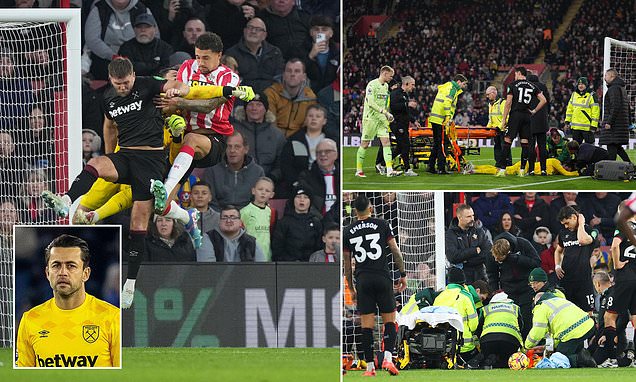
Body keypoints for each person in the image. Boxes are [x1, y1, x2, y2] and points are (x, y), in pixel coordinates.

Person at [41, 57, 238, 309]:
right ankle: (66, 199)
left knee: (139, 222)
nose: (122, 88)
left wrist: (217, 91)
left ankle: (130, 283)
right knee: (97, 165)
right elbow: (110, 126)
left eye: (125, 83)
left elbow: (186, 89)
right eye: (117, 84)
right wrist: (111, 153)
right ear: (111, 80)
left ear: (133, 75)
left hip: (152, 161)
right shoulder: (108, 98)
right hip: (125, 155)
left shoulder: (150, 86)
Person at [150, 32, 255, 223]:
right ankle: (187, 217)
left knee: (191, 140)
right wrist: (173, 99)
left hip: (212, 139)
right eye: (197, 56)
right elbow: (178, 94)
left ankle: (165, 190)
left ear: (219, 55)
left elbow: (209, 105)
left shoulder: (229, 78)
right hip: (181, 142)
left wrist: (179, 102)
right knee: (157, 208)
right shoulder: (187, 67)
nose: (200, 62)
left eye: (206, 57)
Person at [16, 234, 120, 367]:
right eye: (56, 265)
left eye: (71, 266)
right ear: (48, 273)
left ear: (86, 274)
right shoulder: (30, 319)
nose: (63, 272)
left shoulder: (112, 317)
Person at [343, 194, 406, 376]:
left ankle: (370, 368)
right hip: (382, 277)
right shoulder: (382, 224)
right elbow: (394, 250)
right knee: (389, 321)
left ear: (355, 210)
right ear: (370, 208)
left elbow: (347, 265)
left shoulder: (348, 230)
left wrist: (352, 288)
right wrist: (402, 274)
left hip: (363, 280)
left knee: (366, 326)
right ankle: (387, 358)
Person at [486, 232, 541, 339]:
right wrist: (495, 291)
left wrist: (518, 259)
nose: (496, 260)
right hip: (507, 292)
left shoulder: (523, 244)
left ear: (508, 253)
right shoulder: (491, 252)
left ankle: (527, 345)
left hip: (526, 288)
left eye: (499, 259)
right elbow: (491, 273)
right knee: (510, 321)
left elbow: (537, 263)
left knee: (527, 320)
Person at [84, 0, 153, 80]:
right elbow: (92, 40)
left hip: (136, 61)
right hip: (105, 62)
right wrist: (113, 56)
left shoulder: (142, 9)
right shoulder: (99, 9)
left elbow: (154, 35)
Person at [524, 292, 596, 368]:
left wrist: (527, 346)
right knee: (572, 348)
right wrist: (547, 347)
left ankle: (583, 359)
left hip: (573, 333)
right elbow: (560, 330)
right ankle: (582, 355)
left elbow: (537, 332)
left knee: (559, 357)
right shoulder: (559, 300)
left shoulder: (541, 307)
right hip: (589, 325)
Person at [498, 66, 547, 177]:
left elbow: (508, 103)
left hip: (516, 115)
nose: (515, 76)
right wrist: (534, 111)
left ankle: (502, 169)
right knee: (525, 142)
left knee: (507, 141)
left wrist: (504, 119)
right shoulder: (533, 86)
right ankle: (522, 170)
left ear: (519, 73)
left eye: (515, 74)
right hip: (527, 116)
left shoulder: (512, 85)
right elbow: (543, 100)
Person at [604, 200, 636, 366]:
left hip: (625, 277)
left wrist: (617, 264)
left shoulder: (625, 227)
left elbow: (615, 245)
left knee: (609, 316)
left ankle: (611, 358)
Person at [355, 66, 402, 178]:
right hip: (370, 119)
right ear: (385, 73)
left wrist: (387, 114)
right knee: (365, 144)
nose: (391, 78)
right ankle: (359, 170)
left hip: (382, 119)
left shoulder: (386, 86)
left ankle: (389, 170)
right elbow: (370, 102)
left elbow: (385, 103)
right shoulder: (372, 85)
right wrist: (384, 112)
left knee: (386, 143)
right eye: (390, 76)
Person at [201, 131, 264, 210]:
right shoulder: (212, 170)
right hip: (219, 217)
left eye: (237, 147)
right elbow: (210, 201)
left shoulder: (257, 172)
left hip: (248, 217)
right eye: (229, 146)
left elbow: (259, 201)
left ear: (246, 149)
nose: (232, 150)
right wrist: (224, 217)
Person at [231, 92, 285, 183]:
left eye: (259, 105)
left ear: (265, 109)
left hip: (269, 183)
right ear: (245, 108)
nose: (254, 108)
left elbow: (282, 164)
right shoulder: (233, 131)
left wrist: (271, 178)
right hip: (237, 180)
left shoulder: (277, 134)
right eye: (250, 104)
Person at [554, 206, 598, 313]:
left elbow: (582, 240)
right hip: (567, 279)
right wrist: (557, 266)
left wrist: (581, 224)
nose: (566, 226)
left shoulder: (591, 231)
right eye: (563, 224)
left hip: (584, 280)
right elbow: (558, 251)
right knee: (567, 312)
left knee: (588, 313)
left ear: (574, 217)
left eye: (567, 223)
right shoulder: (563, 233)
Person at [224, 17, 284, 94]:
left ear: (264, 35)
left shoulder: (275, 52)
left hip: (270, 96)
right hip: (243, 97)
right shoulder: (232, 53)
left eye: (258, 29)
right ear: (244, 31)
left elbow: (279, 78)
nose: (253, 31)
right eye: (250, 28)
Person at [433, 267, 481, 363]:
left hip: (443, 347)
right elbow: (474, 324)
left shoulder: (439, 297)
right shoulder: (466, 296)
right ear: (463, 282)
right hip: (464, 347)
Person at [375, 75, 420, 176]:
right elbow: (393, 107)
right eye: (412, 85)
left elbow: (406, 112)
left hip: (403, 124)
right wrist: (407, 104)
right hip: (397, 124)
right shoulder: (395, 93)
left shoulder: (404, 94)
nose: (414, 87)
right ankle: (407, 170)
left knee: (400, 147)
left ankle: (382, 164)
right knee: (406, 145)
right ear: (406, 84)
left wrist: (413, 121)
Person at [264, 58, 317, 137]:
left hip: (298, 139)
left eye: (297, 71)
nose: (292, 74)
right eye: (289, 71)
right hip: (273, 137)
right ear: (284, 75)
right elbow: (270, 123)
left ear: (304, 77)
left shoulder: (310, 98)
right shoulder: (271, 93)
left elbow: (307, 127)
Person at [467, 292, 522, 369]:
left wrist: (478, 343)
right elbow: (521, 326)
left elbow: (478, 327)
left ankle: (486, 361)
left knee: (488, 353)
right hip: (510, 340)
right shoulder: (515, 307)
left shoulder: (486, 308)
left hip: (488, 340)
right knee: (505, 362)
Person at [427, 74, 468, 175]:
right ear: (458, 82)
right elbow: (447, 103)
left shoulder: (447, 86)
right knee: (442, 143)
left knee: (438, 143)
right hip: (441, 119)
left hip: (435, 118)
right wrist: (448, 118)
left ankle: (431, 166)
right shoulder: (452, 88)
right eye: (463, 84)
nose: (464, 86)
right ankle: (441, 168)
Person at [271, 185, 323, 261]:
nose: (302, 200)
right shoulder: (284, 222)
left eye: (305, 197)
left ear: (310, 201)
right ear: (293, 200)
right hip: (289, 266)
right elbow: (277, 248)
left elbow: (319, 247)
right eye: (298, 197)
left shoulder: (316, 222)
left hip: (311, 265)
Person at [200, 205, 266, 262]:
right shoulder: (208, 238)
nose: (228, 221)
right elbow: (208, 269)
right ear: (219, 222)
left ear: (240, 222)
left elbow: (261, 269)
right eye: (225, 217)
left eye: (233, 217)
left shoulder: (251, 242)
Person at [446, 203, 491, 283]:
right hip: (462, 279)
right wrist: (474, 251)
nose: (472, 219)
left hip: (480, 276)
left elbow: (488, 252)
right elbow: (453, 257)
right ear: (460, 218)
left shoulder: (479, 231)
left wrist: (466, 261)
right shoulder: (450, 234)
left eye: (472, 215)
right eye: (468, 217)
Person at [297, 138, 339, 221]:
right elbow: (307, 205)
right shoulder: (306, 177)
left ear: (336, 155)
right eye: (319, 152)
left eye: (327, 151)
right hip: (316, 222)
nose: (323, 154)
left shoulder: (342, 175)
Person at [240, 177, 276, 262]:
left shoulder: (271, 212)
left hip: (267, 255)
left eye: (267, 191)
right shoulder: (244, 211)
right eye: (260, 189)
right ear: (253, 191)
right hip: (250, 255)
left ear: (272, 195)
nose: (263, 193)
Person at [600, 68, 631, 162]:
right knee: (617, 147)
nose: (604, 78)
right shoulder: (621, 88)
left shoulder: (614, 88)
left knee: (611, 146)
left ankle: (611, 170)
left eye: (606, 75)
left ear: (612, 76)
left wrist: (609, 122)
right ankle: (631, 167)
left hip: (615, 126)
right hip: (620, 124)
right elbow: (627, 107)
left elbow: (615, 106)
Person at [305, 14, 338, 93]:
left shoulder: (337, 53)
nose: (320, 33)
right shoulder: (301, 50)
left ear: (331, 33)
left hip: (329, 95)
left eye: (324, 29)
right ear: (311, 32)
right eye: (316, 29)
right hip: (308, 94)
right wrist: (310, 56)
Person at [189, 181, 219, 261]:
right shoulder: (183, 217)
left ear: (210, 197)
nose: (200, 196)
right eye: (196, 193)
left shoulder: (219, 218)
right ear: (190, 197)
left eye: (204, 193)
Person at [526, 74, 550, 175]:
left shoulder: (527, 88)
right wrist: (546, 115)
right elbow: (548, 102)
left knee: (531, 146)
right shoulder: (543, 87)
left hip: (530, 120)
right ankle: (543, 169)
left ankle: (531, 169)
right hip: (542, 120)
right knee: (542, 146)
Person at [565, 77, 600, 144]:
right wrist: (567, 121)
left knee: (590, 148)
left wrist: (594, 126)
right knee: (576, 149)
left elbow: (595, 111)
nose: (580, 86)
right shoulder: (574, 94)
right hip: (575, 127)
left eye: (582, 84)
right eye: (579, 84)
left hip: (588, 128)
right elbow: (570, 109)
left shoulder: (592, 95)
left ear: (586, 85)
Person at [485, 85, 509, 169]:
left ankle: (507, 164)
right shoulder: (490, 104)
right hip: (495, 130)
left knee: (504, 148)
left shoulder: (503, 103)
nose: (487, 96)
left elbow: (506, 117)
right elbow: (490, 118)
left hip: (502, 129)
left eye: (488, 94)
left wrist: (499, 127)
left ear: (494, 93)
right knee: (497, 147)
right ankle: (498, 163)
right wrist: (488, 127)